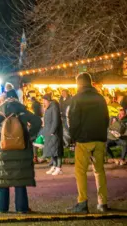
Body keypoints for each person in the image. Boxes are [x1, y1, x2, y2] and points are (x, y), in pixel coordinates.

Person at [0, 89, 42, 214]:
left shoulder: (0, 111)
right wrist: (29, 135)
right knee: (20, 179)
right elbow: (37, 121)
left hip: (3, 150)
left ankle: (1, 207)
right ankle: (22, 208)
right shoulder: (22, 110)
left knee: (3, 179)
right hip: (21, 148)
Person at [67, 72, 109, 213]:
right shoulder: (100, 98)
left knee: (80, 171)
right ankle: (102, 203)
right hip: (99, 138)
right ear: (90, 82)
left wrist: (73, 138)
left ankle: (82, 202)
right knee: (99, 171)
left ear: (78, 83)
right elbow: (106, 118)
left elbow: (73, 121)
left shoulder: (76, 99)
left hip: (84, 140)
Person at [42, 93, 64, 175]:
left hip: (54, 132)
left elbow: (56, 120)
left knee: (57, 151)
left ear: (48, 100)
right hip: (49, 131)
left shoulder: (54, 107)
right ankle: (54, 166)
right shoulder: (48, 108)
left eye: (44, 101)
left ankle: (58, 167)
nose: (43, 102)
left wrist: (52, 131)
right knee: (52, 150)